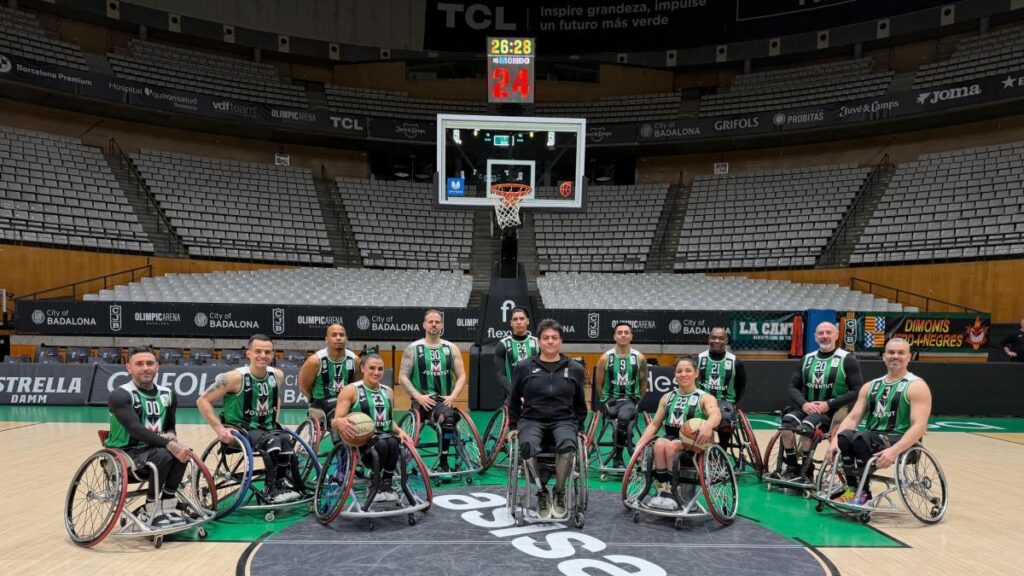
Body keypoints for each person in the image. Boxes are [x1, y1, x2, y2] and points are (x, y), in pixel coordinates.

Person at [826, 338, 932, 504]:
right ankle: (853, 489)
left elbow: (919, 426)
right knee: (845, 436)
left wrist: (894, 450)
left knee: (862, 438)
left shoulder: (916, 386)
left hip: (898, 439)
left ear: (909, 357)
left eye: (900, 353)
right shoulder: (871, 386)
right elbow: (853, 417)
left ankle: (863, 493)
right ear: (884, 356)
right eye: (891, 352)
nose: (895, 356)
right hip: (871, 437)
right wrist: (834, 442)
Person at [197, 334, 300, 504]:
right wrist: (219, 429)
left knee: (285, 439)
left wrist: (276, 420)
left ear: (273, 355)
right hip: (242, 429)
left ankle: (281, 482)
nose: (263, 355)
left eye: (267, 352)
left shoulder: (278, 375)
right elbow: (203, 401)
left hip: (266, 428)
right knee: (273, 441)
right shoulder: (233, 377)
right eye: (258, 351)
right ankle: (270, 488)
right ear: (248, 353)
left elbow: (276, 398)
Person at [104, 346, 192, 527]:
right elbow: (135, 429)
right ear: (129, 368)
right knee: (166, 453)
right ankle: (150, 510)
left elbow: (170, 427)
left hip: (155, 451)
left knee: (183, 453)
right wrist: (169, 446)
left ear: (157, 367)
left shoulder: (168, 394)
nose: (146, 368)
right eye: (139, 364)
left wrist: (172, 437)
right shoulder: (120, 395)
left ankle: (167, 506)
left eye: (150, 363)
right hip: (125, 455)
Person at [509, 319, 587, 520]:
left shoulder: (575, 368)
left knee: (568, 444)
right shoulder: (524, 366)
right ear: (539, 342)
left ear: (561, 341)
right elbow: (514, 400)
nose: (550, 342)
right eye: (546, 338)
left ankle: (559, 492)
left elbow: (580, 404)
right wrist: (513, 425)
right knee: (526, 445)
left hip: (564, 419)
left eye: (554, 338)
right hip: (532, 419)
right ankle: (542, 492)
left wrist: (581, 427)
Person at [774, 321, 863, 483]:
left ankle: (807, 471)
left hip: (832, 411)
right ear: (815, 337)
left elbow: (856, 390)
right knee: (786, 425)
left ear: (836, 335)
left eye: (829, 332)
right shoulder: (807, 359)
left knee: (806, 429)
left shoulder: (847, 359)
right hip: (807, 407)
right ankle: (793, 467)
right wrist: (804, 404)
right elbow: (792, 386)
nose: (825, 336)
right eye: (821, 333)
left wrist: (828, 404)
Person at [637, 356, 720, 510]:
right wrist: (640, 444)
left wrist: (708, 425)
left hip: (694, 444)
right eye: (679, 371)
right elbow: (655, 424)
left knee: (671, 445)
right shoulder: (667, 397)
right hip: (670, 438)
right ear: (675, 374)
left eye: (688, 371)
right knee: (660, 443)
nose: (683, 374)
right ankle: (663, 490)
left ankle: (675, 492)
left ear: (696, 374)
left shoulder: (705, 397)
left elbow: (716, 414)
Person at [398, 309, 467, 473]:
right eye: (431, 322)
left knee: (448, 419)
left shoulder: (452, 348)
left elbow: (462, 376)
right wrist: (418, 396)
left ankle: (443, 461)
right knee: (447, 419)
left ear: (441, 325)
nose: (434, 324)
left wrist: (453, 396)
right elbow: (402, 377)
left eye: (437, 322)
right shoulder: (413, 348)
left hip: (442, 403)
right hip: (420, 404)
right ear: (424, 325)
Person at [333, 353, 409, 503]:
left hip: (387, 441)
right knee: (382, 443)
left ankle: (386, 482)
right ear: (362, 368)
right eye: (372, 368)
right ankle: (374, 482)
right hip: (362, 444)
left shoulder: (388, 391)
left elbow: (389, 420)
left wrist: (399, 430)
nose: (376, 372)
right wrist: (340, 422)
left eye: (380, 369)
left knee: (393, 441)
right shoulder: (350, 390)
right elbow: (335, 421)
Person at [595, 323, 649, 467]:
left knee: (624, 417)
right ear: (615, 336)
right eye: (620, 332)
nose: (623, 335)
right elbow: (598, 384)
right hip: (612, 401)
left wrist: (637, 402)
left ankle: (617, 458)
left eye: (626, 332)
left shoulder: (639, 358)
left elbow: (644, 383)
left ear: (631, 336)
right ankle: (625, 446)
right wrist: (605, 401)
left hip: (630, 400)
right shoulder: (605, 358)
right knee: (622, 420)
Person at [696, 327, 747, 450]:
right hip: (701, 401)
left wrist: (732, 403)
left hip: (724, 401)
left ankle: (722, 450)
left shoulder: (736, 362)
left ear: (726, 340)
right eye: (713, 337)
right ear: (709, 339)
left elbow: (741, 386)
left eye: (721, 338)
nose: (717, 341)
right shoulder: (698, 359)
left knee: (724, 419)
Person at [298, 323, 361, 418]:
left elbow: (356, 386)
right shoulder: (315, 361)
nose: (339, 338)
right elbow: (303, 387)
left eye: (342, 335)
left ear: (346, 338)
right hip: (322, 400)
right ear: (326, 339)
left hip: (346, 400)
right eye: (334, 335)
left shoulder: (355, 360)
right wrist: (313, 399)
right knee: (338, 410)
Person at [494, 306, 539, 398]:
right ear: (511, 323)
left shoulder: (538, 343)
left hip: (535, 396)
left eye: (522, 319)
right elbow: (500, 374)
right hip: (512, 396)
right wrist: (514, 393)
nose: (518, 322)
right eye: (515, 319)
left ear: (528, 321)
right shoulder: (503, 344)